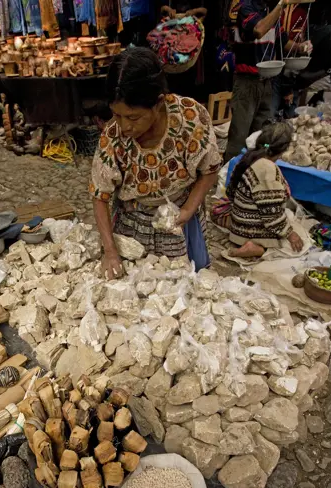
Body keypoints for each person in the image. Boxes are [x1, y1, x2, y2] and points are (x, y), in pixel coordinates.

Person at [90, 47, 221, 280]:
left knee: (185, 287)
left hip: (179, 218)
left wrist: (188, 209)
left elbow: (209, 170)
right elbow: (100, 195)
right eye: (116, 115)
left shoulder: (190, 118)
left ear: (158, 103)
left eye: (133, 117)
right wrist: (110, 251)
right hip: (134, 223)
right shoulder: (113, 137)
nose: (124, 126)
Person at [225, 0, 311, 161]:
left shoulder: (271, 11)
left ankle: (254, 171)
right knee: (239, 136)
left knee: (262, 134)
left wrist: (301, 47)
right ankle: (229, 177)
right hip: (246, 82)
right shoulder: (246, 7)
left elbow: (283, 42)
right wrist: (281, 5)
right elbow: (259, 30)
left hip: (267, 82)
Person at [222, 122, 304, 258]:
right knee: (296, 248)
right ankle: (257, 248)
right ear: (283, 149)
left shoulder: (252, 156)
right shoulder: (267, 169)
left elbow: (231, 193)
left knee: (288, 221)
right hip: (248, 231)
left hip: (239, 224)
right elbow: (272, 216)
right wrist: (291, 235)